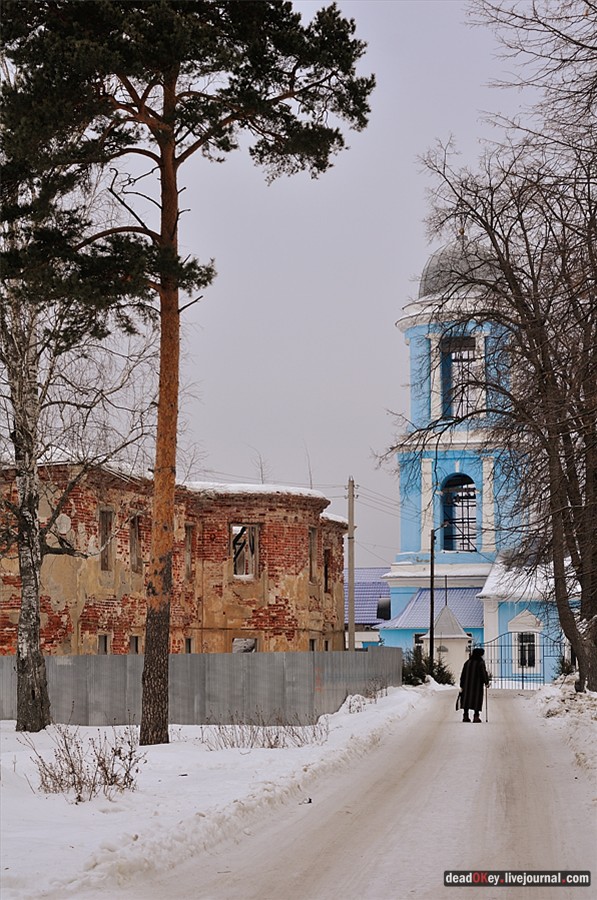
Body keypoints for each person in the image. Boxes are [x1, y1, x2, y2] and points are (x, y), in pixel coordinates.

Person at [459, 647, 490, 722]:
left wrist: (461, 684)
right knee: (476, 700)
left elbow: (463, 674)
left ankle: (465, 716)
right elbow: (483, 673)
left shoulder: (467, 662)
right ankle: (476, 716)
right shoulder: (480, 663)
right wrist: (486, 682)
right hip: (477, 685)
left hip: (467, 685)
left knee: (466, 699)